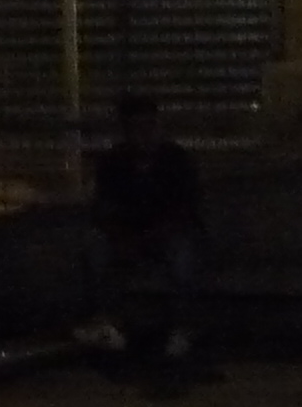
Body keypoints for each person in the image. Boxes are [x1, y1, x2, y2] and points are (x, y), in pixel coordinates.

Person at [75, 94, 207, 360]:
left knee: (184, 254)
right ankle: (107, 321)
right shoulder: (113, 162)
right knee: (95, 246)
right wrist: (121, 237)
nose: (145, 135)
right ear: (126, 131)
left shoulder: (176, 159)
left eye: (150, 126)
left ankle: (183, 326)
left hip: (166, 233)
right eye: (137, 128)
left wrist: (147, 238)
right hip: (127, 233)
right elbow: (104, 208)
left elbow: (184, 210)